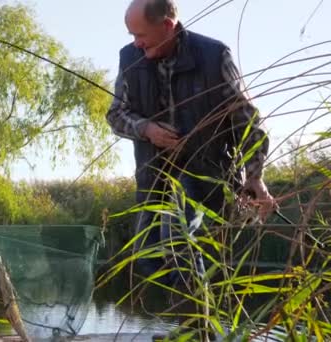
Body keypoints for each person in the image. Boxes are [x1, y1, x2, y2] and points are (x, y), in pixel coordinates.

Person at [106, 0, 276, 339]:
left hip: (206, 173)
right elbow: (116, 116)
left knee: (176, 234)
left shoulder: (214, 56)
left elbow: (248, 122)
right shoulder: (130, 57)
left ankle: (199, 333)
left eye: (141, 35)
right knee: (147, 253)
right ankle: (196, 320)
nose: (137, 43)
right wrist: (146, 129)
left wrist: (254, 176)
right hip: (154, 175)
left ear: (167, 26)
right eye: (132, 35)